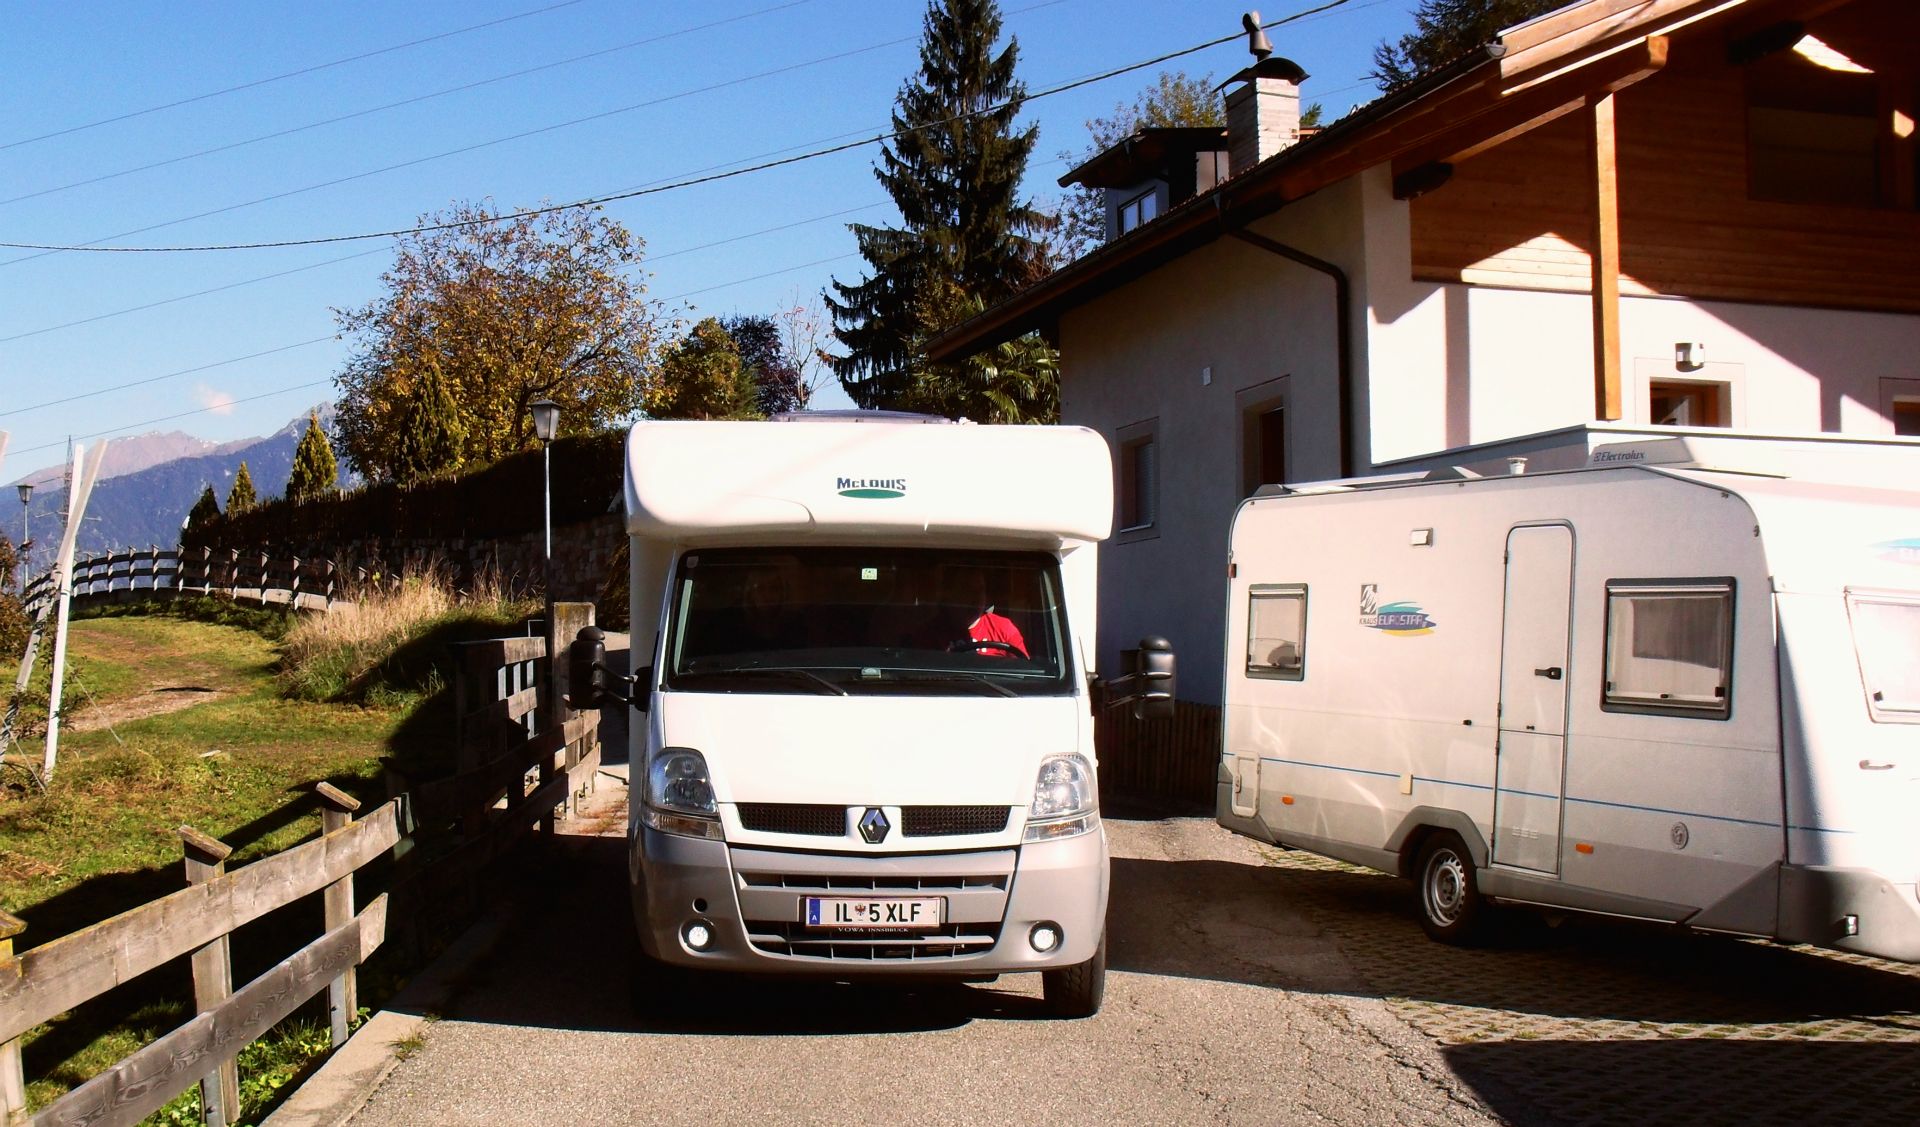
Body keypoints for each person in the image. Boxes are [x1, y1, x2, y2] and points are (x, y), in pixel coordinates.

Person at [943, 566, 1026, 659]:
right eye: (967, 590)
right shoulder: (932, 633)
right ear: (950, 594)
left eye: (980, 590)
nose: (976, 598)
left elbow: (1025, 669)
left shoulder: (1004, 628)